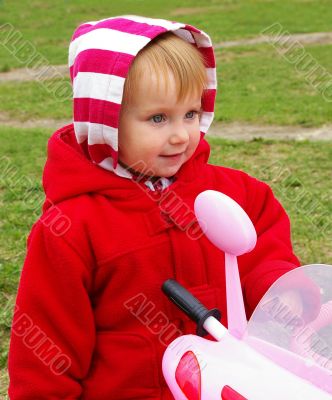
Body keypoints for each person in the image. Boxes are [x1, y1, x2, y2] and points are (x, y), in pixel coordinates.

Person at [7, 15, 306, 399]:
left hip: (227, 386)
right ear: (106, 121)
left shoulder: (237, 193)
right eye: (158, 118)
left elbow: (263, 255)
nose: (181, 135)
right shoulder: (71, 228)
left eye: (191, 114)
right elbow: (46, 350)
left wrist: (281, 293)